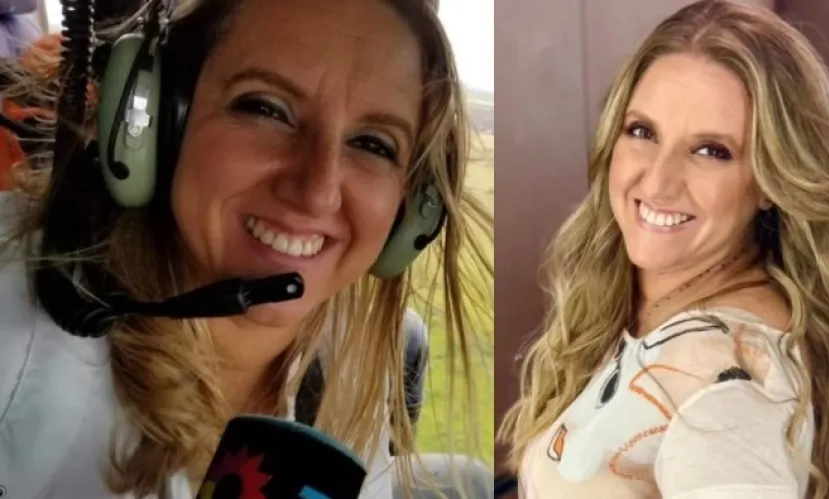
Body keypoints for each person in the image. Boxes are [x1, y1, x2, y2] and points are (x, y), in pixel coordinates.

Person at [0, 0, 492, 498]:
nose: (318, 191)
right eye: (265, 109)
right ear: (155, 120)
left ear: (416, 208)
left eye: (373, 144)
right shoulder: (18, 322)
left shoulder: (349, 358)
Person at [498, 1, 829, 498]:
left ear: (771, 182)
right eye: (642, 131)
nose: (658, 180)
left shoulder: (726, 386)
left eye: (711, 151)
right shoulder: (646, 308)